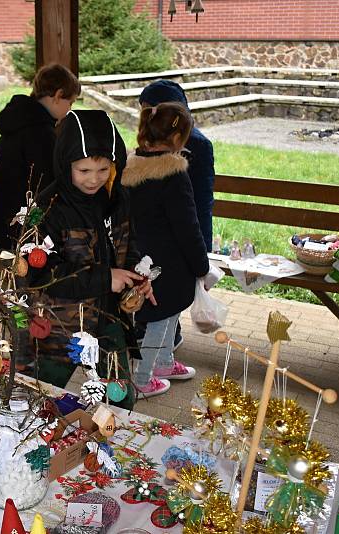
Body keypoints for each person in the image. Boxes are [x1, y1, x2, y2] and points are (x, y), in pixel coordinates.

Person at [28, 109, 154, 410]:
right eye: (83, 171)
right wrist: (104, 278)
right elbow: (39, 274)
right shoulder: (49, 208)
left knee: (120, 396)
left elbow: (128, 246)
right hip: (62, 325)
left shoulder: (117, 198)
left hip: (110, 319)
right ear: (65, 164)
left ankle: (112, 444)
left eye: (103, 169)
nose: (94, 179)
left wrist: (136, 280)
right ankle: (36, 442)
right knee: (43, 392)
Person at [122, 102, 210, 398]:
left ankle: (163, 361)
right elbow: (188, 225)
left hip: (140, 258)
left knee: (168, 312)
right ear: (177, 139)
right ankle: (143, 379)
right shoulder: (173, 173)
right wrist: (201, 264)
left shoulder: (130, 167)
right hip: (170, 263)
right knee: (160, 318)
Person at [139, 80, 216, 350]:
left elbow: (200, 201)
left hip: (175, 236)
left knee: (165, 297)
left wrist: (202, 250)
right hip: (161, 237)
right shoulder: (149, 150)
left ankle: (163, 347)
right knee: (161, 296)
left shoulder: (196, 146)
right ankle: (157, 353)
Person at [0, 64, 81, 250]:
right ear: (58, 95)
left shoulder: (18, 122)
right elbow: (46, 185)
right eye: (70, 102)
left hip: (6, 222)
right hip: (27, 231)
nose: (69, 109)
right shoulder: (40, 132)